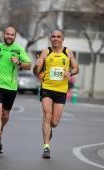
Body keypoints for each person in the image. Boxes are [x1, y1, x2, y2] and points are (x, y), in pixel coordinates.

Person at [33, 28, 79, 158]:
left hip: (61, 90)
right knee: (47, 115)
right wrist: (37, 65)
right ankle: (46, 147)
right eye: (53, 36)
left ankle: (51, 129)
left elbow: (76, 68)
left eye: (58, 36)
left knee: (54, 122)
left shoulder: (68, 52)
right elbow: (36, 72)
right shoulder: (45, 52)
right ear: (50, 39)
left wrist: (70, 72)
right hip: (47, 87)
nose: (56, 38)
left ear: (62, 39)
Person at [0, 26, 31, 154]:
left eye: (12, 35)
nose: (9, 36)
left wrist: (19, 62)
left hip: (11, 86)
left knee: (5, 115)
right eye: (7, 34)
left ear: (15, 37)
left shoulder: (19, 50)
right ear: (4, 34)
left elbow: (29, 66)